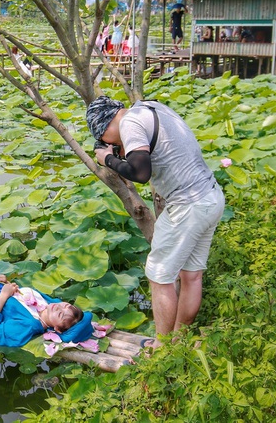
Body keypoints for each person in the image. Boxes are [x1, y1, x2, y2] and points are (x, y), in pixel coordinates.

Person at [86, 96, 225, 351]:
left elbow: (140, 173)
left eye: (105, 138)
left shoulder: (130, 123)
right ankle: (178, 340)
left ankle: (161, 349)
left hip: (187, 205)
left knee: (160, 276)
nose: (110, 143)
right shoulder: (151, 108)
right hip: (211, 197)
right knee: (191, 275)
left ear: (105, 126)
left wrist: (108, 158)